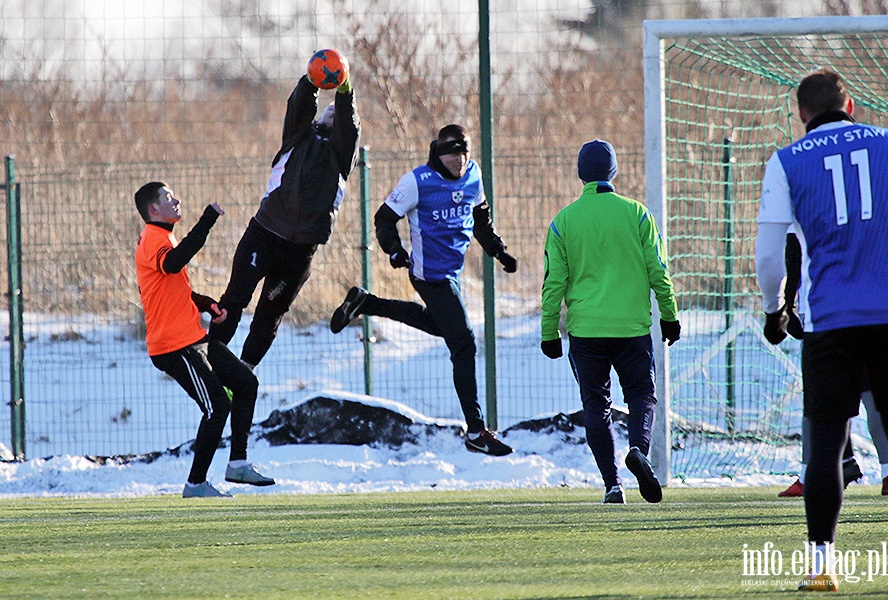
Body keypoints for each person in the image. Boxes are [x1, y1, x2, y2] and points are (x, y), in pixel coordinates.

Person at [755, 68, 888, 592]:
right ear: (852, 104)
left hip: (829, 323)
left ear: (801, 115)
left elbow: (770, 255)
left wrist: (775, 309)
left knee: (826, 446)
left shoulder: (787, 161)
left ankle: (820, 568)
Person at [329, 124, 517, 456]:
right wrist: (394, 249)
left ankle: (366, 303)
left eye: (464, 152)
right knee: (464, 343)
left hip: (452, 273)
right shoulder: (418, 181)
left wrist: (498, 250)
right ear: (437, 152)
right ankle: (475, 431)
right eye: (452, 152)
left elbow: (481, 220)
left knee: (439, 326)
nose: (459, 160)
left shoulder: (473, 176)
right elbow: (384, 218)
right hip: (429, 274)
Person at [539, 139, 680, 505]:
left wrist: (549, 331)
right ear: (613, 172)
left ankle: (612, 485)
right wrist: (669, 315)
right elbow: (658, 271)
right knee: (641, 396)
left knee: (595, 404)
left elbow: (554, 281)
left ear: (581, 174)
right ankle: (639, 450)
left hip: (585, 331)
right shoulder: (637, 214)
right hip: (632, 329)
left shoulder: (564, 221)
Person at [208, 57, 360, 369]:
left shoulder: (341, 154)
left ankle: (244, 371)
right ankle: (210, 361)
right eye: (328, 106)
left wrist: (345, 91)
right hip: (264, 233)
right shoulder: (297, 136)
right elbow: (300, 105)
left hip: (300, 250)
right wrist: (309, 81)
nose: (332, 108)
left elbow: (350, 125)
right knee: (235, 298)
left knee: (270, 314)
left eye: (338, 110)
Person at [135, 182, 275, 498]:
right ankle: (195, 484)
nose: (176, 200)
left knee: (245, 383)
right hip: (173, 346)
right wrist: (207, 220)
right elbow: (172, 263)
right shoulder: (152, 240)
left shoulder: (162, 236)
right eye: (168, 197)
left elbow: (172, 289)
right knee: (216, 406)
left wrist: (207, 304)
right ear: (153, 209)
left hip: (193, 338)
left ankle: (238, 463)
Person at [778, 231, 888, 498]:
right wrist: (787, 306)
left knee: (872, 398)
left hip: (858, 316)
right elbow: (792, 261)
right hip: (825, 319)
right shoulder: (802, 218)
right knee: (824, 401)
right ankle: (825, 471)